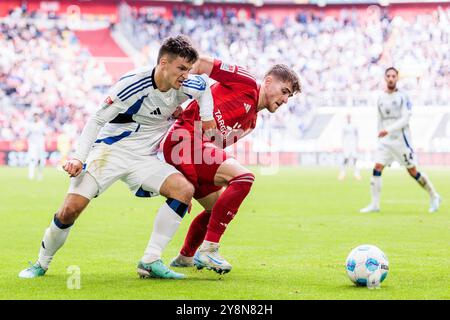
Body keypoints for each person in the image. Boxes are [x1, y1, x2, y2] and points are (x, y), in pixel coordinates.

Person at [18, 35, 216, 280]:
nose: (186, 75)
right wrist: (80, 158)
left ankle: (150, 261)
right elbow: (97, 119)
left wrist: (207, 117)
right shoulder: (132, 84)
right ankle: (41, 263)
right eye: (181, 69)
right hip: (110, 152)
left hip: (144, 157)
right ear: (163, 63)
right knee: (70, 209)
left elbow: (205, 88)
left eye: (189, 69)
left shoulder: (188, 83)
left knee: (183, 191)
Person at [162, 56, 301, 274]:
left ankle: (185, 257)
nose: (285, 100)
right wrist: (174, 99)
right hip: (184, 138)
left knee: (215, 208)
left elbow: (212, 148)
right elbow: (199, 63)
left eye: (289, 96)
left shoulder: (251, 122)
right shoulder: (244, 80)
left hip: (195, 153)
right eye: (284, 91)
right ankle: (209, 249)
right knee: (244, 177)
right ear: (268, 80)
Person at [360, 67, 440, 213]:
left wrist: (387, 130)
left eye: (393, 76)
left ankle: (434, 195)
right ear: (385, 78)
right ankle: (375, 204)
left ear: (397, 78)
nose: (391, 78)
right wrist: (380, 135)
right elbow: (380, 119)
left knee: (413, 172)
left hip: (401, 141)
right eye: (388, 76)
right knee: (377, 168)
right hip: (385, 142)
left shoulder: (403, 97)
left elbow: (405, 119)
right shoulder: (380, 98)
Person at [338, 114, 361, 180]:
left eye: (349, 117)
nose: (348, 119)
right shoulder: (344, 126)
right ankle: (342, 173)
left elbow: (357, 135)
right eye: (347, 117)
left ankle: (356, 174)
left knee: (355, 159)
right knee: (345, 159)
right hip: (346, 145)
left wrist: (357, 145)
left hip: (353, 145)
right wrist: (342, 146)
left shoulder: (354, 125)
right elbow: (342, 136)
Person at [27, 114, 47, 181]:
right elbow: (27, 134)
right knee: (32, 159)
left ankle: (39, 175)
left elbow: (45, 133)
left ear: (38, 117)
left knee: (40, 160)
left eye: (37, 116)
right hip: (32, 145)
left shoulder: (42, 124)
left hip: (40, 145)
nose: (35, 117)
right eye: (34, 116)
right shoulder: (30, 125)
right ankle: (31, 175)